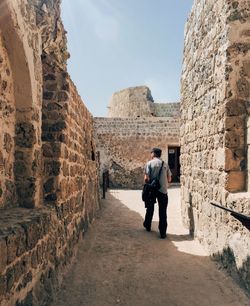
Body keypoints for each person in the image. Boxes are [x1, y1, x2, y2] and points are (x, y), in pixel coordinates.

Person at [143, 147, 172, 239]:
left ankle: (147, 225)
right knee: (163, 211)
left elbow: (146, 178)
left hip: (152, 190)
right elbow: (169, 179)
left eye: (151, 153)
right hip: (163, 190)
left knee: (150, 208)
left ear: (153, 154)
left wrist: (150, 182)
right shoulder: (165, 164)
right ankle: (162, 232)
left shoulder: (149, 163)